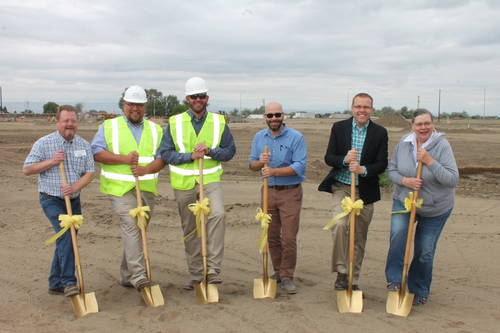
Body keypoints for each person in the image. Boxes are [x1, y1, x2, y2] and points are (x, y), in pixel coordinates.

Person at [157, 77, 236, 290]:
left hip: (209, 180)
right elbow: (164, 153)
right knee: (190, 229)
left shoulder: (219, 122)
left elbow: (230, 151)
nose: (198, 100)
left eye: (201, 96)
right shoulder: (174, 123)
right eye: (194, 96)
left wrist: (211, 151)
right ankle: (196, 274)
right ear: (187, 99)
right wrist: (190, 156)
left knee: (218, 215)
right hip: (184, 183)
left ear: (207, 98)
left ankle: (212, 270)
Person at [91, 85, 164, 291]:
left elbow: (162, 158)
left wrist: (146, 169)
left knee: (139, 231)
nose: (135, 108)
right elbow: (96, 152)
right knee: (132, 226)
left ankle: (127, 275)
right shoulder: (109, 126)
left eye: (139, 105)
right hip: (119, 188)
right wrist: (124, 159)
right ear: (124, 105)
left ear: (144, 106)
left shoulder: (156, 129)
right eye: (131, 104)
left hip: (147, 188)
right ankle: (140, 277)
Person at [385, 109, 458, 306]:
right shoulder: (404, 143)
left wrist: (429, 161)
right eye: (419, 124)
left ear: (433, 125)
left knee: (425, 250)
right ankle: (394, 279)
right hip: (405, 201)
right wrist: (405, 180)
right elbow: (391, 170)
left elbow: (452, 179)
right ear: (412, 126)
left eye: (427, 123)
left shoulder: (442, 145)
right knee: (398, 236)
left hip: (435, 207)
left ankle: (418, 287)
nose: (423, 127)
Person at [318, 92, 388, 291]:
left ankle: (352, 279)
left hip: (365, 191)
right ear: (352, 107)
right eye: (358, 106)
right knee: (339, 225)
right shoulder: (339, 128)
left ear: (371, 110)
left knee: (358, 237)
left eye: (366, 107)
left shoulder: (380, 133)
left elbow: (382, 163)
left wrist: (363, 169)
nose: (362, 110)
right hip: (342, 187)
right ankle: (342, 271)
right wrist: (344, 160)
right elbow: (329, 157)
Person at [23, 105, 95, 297]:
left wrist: (75, 187)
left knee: (66, 240)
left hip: (74, 199)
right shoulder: (44, 144)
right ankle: (69, 281)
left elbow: (90, 172)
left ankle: (55, 282)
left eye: (73, 121)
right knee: (66, 235)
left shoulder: (83, 145)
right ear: (58, 122)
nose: (69, 124)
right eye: (66, 121)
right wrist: (52, 162)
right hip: (51, 199)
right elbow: (27, 169)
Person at [248, 102, 307, 294]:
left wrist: (274, 170)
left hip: (290, 191)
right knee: (271, 236)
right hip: (268, 190)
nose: (274, 119)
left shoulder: (296, 137)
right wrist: (260, 163)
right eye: (270, 115)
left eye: (277, 115)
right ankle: (278, 271)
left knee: (288, 237)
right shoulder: (259, 137)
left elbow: (299, 166)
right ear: (265, 117)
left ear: (283, 116)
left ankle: (287, 276)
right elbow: (252, 164)